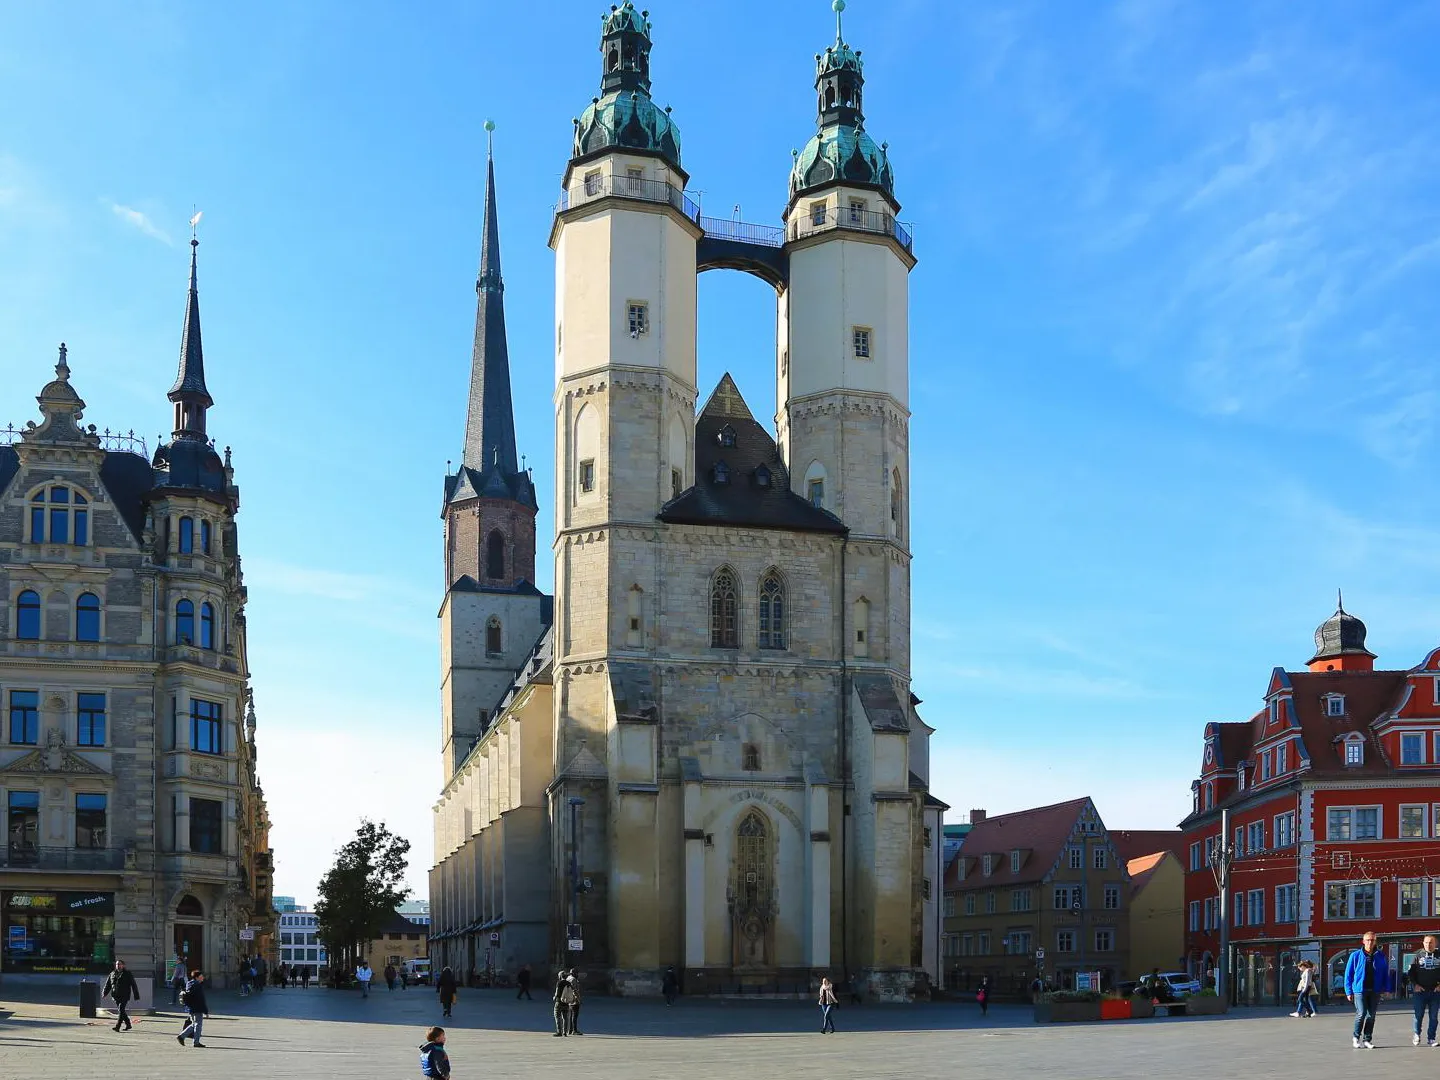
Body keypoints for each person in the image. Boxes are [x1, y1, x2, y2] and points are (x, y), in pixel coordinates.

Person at [1344, 930, 1391, 1049]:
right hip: (1359, 990)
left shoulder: (1380, 956)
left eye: (1372, 940)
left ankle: (1367, 1039)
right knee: (1361, 1013)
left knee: (1371, 1016)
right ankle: (1356, 1037)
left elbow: (1385, 973)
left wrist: (1386, 988)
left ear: (1375, 941)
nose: (1370, 942)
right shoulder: (1355, 956)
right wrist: (1348, 991)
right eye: (1368, 940)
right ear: (1363, 941)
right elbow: (1348, 975)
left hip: (1375, 990)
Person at [1409, 935, 1440, 1045]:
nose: (1428, 944)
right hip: (1420, 992)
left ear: (1435, 943)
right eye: (1426, 942)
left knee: (1434, 1017)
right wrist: (1415, 985)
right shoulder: (1418, 956)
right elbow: (1411, 973)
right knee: (1418, 1015)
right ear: (1423, 943)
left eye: (1431, 942)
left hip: (1435, 992)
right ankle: (1417, 1034)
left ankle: (1431, 1038)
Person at [102, 959, 140, 1032]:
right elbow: (108, 985)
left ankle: (117, 1026)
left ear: (123, 965)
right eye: (117, 964)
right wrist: (104, 993)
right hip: (115, 995)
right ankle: (128, 1024)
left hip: (125, 995)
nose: (118, 965)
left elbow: (133, 984)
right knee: (121, 1011)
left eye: (119, 964)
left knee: (121, 1009)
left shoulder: (127, 973)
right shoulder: (112, 973)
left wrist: (136, 995)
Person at [176, 970, 209, 1048]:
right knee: (198, 1025)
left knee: (194, 1024)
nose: (203, 978)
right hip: (197, 1008)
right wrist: (205, 1011)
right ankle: (196, 1042)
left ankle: (181, 1036)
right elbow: (201, 999)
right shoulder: (198, 985)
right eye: (201, 976)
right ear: (197, 977)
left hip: (190, 1008)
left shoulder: (189, 983)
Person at [566, 969, 583, 1035]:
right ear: (574, 973)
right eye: (576, 973)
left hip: (569, 999)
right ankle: (574, 1030)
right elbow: (575, 990)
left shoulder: (568, 978)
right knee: (574, 1016)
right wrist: (578, 999)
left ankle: (570, 1029)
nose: (577, 974)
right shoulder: (573, 980)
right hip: (574, 1000)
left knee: (570, 1016)